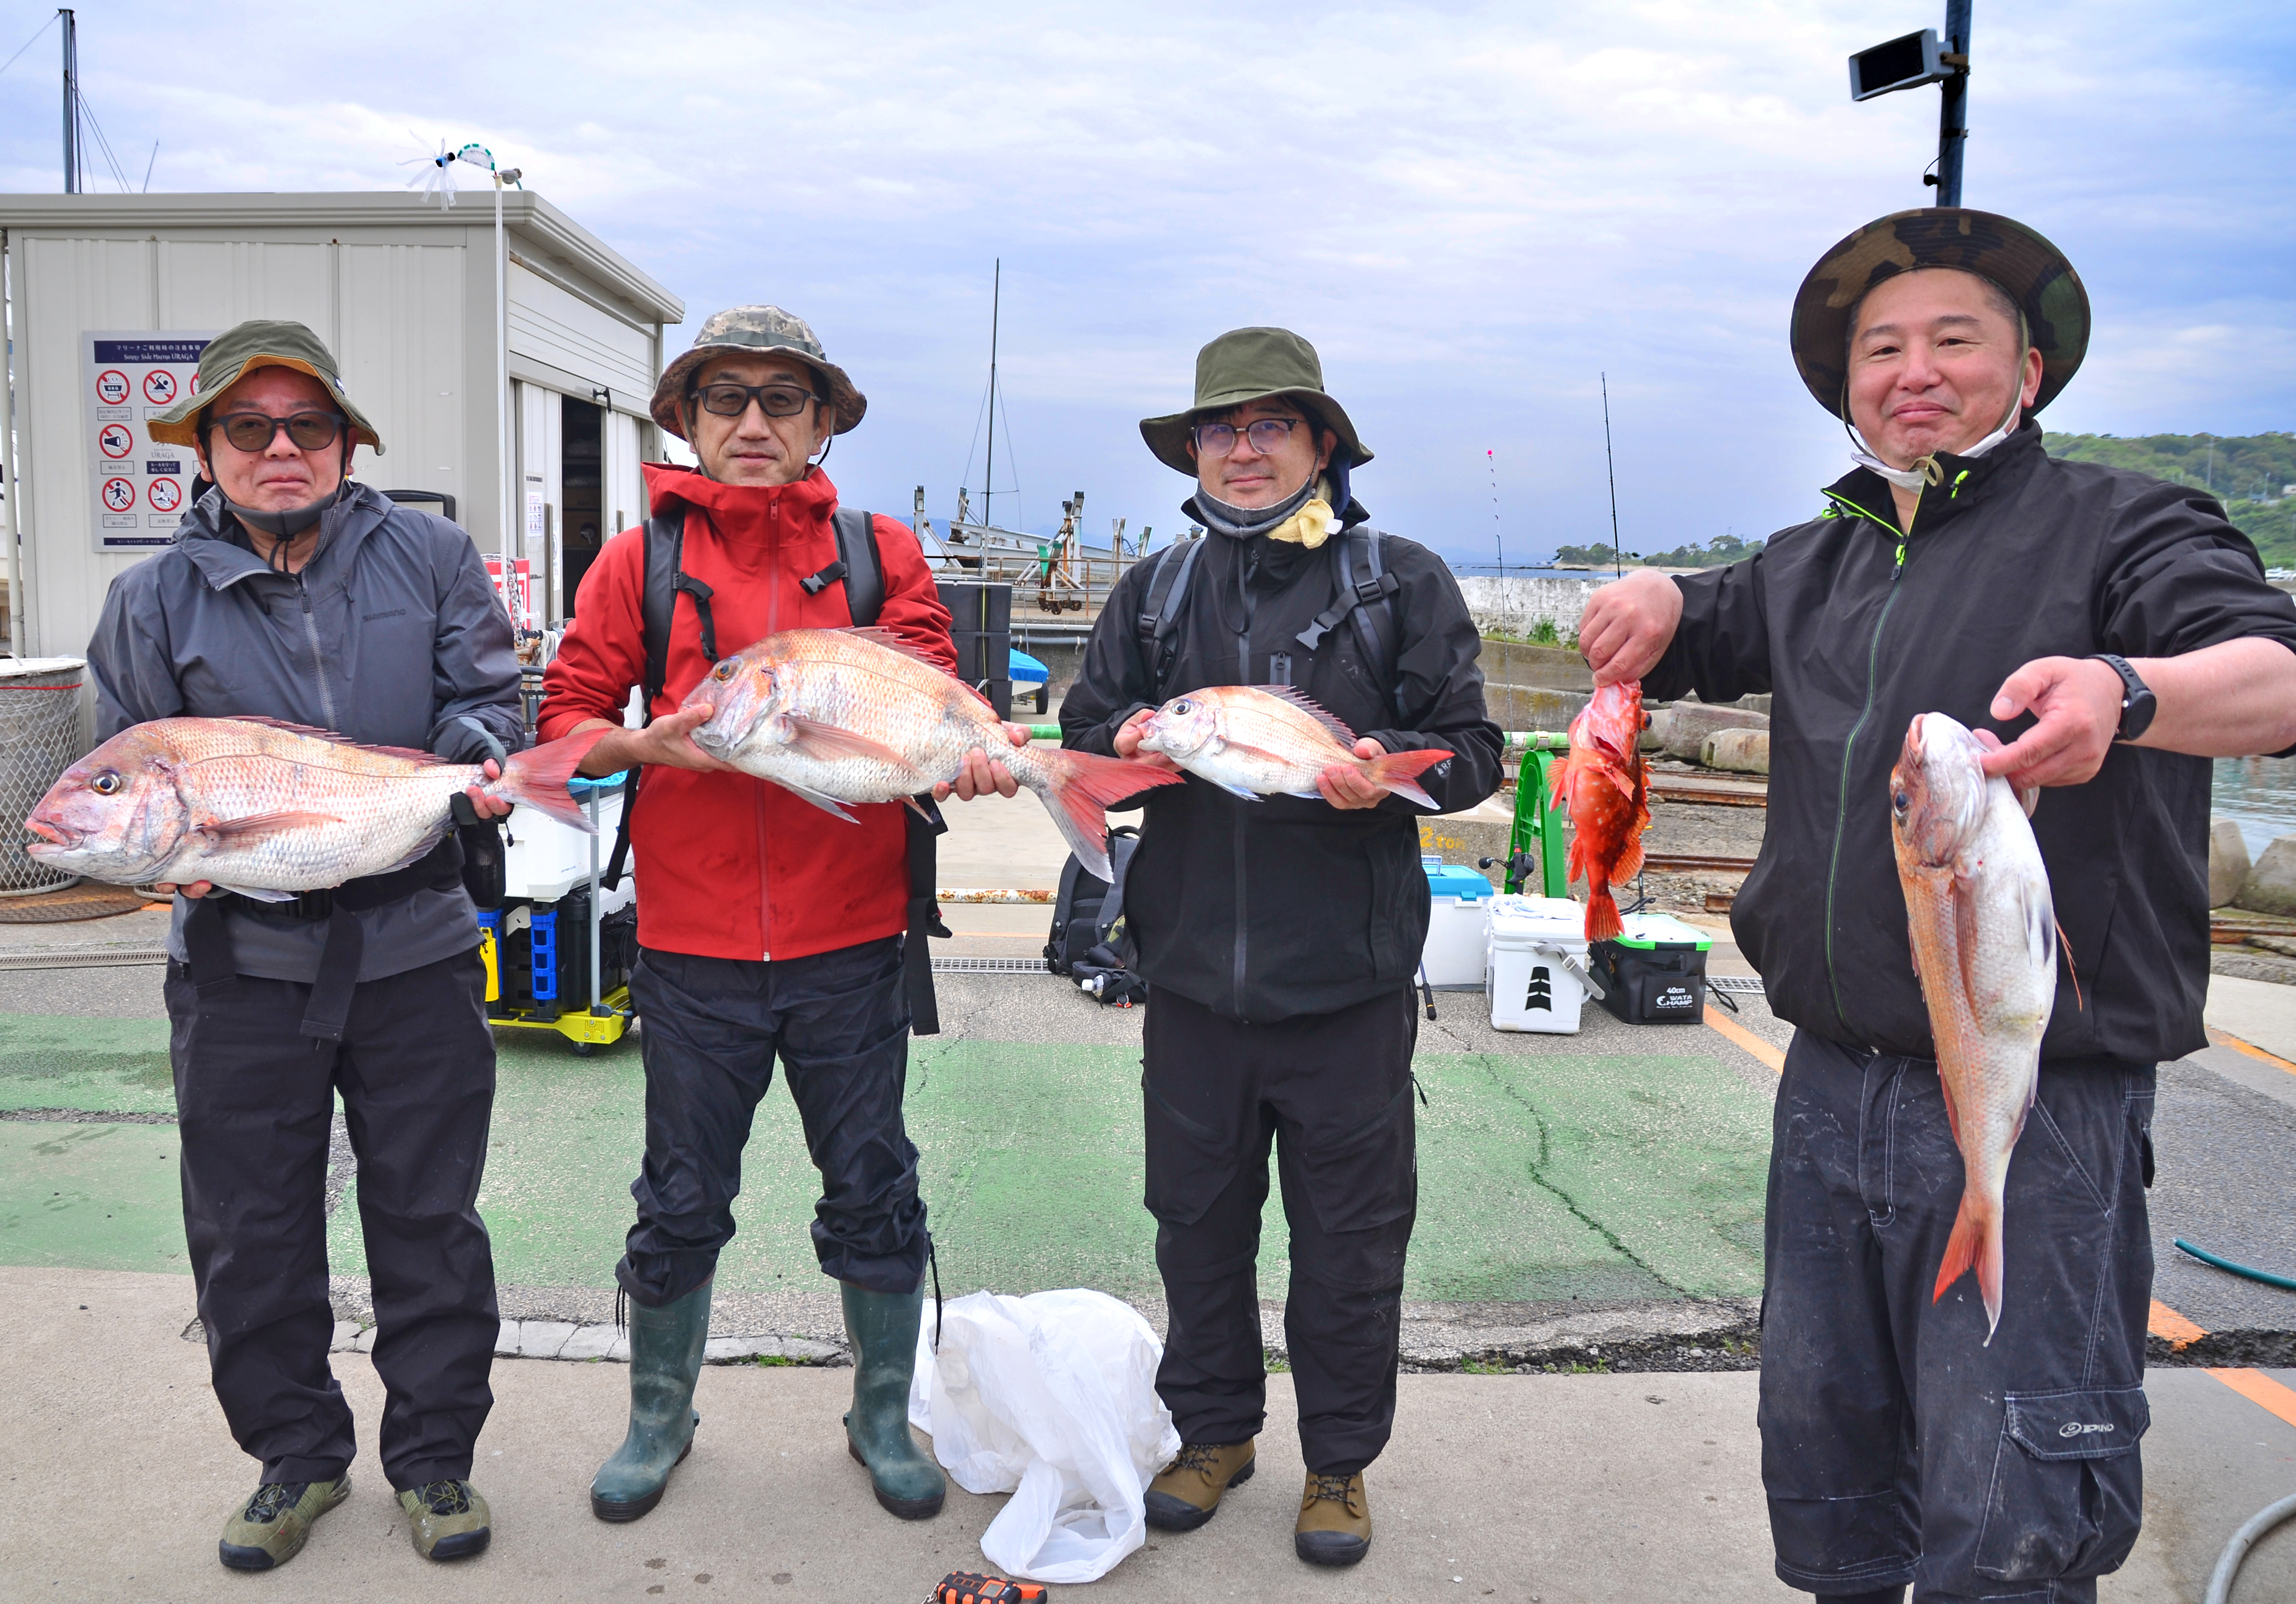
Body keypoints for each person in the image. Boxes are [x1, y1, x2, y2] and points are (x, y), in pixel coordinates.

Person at [1578, 209, 2296, 1604]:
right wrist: (1659, 594)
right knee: (1830, 1470)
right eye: (1881, 349)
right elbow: (1696, 620)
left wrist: (2128, 694)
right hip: (1827, 1094)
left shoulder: (2129, 525)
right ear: (1848, 388)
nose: (1915, 370)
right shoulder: (1810, 561)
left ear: (2029, 372)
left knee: (2012, 1500)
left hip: (2045, 1106)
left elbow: (2276, 670)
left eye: (1954, 339)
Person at [539, 306, 1023, 1525]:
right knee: (680, 1194)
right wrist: (636, 746)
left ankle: (878, 1416)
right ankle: (659, 1415)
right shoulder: (634, 561)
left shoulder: (880, 551)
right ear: (688, 422)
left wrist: (965, 752)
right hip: (692, 945)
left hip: (851, 942)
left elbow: (932, 695)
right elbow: (564, 721)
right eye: (725, 400)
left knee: (872, 1183)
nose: (753, 424)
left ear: (821, 424)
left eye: (782, 401)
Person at [1062, 327, 1503, 1566]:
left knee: (1350, 1249)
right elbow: (1090, 738)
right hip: (1192, 986)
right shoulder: (1153, 590)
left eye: (1269, 427)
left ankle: (1339, 1464)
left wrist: (1386, 778)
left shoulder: (1397, 578)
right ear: (1192, 452)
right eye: (1219, 428)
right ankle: (1214, 1435)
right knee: (1194, 1226)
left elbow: (1470, 751)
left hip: (1348, 995)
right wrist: (1133, 742)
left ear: (1320, 446)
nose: (1241, 450)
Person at [91, 320, 523, 1569]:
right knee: (246, 1229)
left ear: (346, 441)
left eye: (308, 426)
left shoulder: (434, 556)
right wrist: (160, 861)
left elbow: (486, 701)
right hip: (239, 971)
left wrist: (478, 764)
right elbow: (124, 768)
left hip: (416, 948)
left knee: (430, 1218)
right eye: (249, 428)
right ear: (206, 450)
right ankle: (295, 1458)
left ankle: (436, 1463)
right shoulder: (149, 600)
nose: (282, 448)